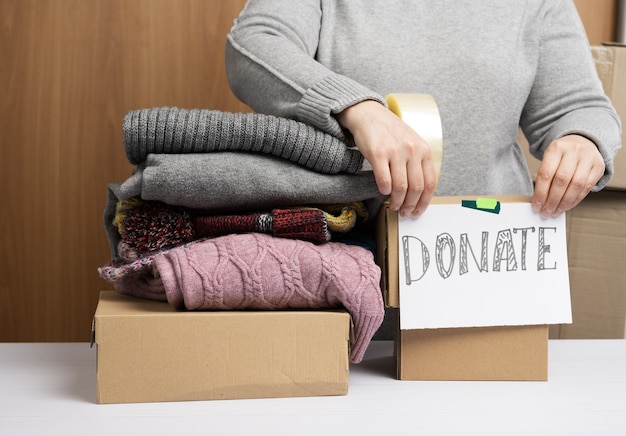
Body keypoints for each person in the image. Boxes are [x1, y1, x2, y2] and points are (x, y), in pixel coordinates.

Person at [224, 0, 621, 219]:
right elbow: (254, 44)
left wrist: (582, 140)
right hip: (340, 253)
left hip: (486, 261)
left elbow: (579, 106)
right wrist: (358, 108)